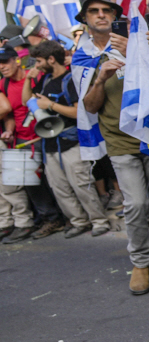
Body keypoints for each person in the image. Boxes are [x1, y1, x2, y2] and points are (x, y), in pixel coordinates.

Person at [79, 0, 149, 294]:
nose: (101, 15)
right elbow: (89, 107)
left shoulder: (137, 41)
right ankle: (140, 263)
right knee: (136, 204)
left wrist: (135, 54)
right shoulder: (83, 58)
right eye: (94, 11)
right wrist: (100, 79)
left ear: (115, 15)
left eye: (106, 10)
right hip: (119, 141)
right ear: (85, 18)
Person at [23, 40, 111, 238]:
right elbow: (26, 101)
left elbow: (79, 112)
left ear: (51, 59)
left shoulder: (69, 80)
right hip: (50, 144)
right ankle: (79, 221)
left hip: (71, 142)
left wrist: (50, 106)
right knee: (60, 187)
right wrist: (28, 80)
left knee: (81, 185)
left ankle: (99, 221)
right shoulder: (46, 80)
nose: (37, 65)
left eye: (39, 61)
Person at [0, 44, 36, 243]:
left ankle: (24, 222)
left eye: (5, 62)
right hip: (18, 137)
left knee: (12, 185)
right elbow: (10, 114)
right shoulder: (3, 83)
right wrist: (9, 129)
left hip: (37, 136)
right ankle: (6, 223)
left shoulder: (32, 76)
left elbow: (5, 108)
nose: (2, 66)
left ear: (17, 60)